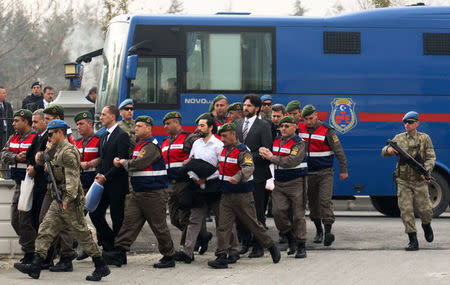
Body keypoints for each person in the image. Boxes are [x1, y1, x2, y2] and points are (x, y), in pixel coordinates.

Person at [14, 119, 111, 282]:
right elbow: (41, 160)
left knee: (82, 234)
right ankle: (36, 265)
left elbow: (73, 179)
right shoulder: (56, 149)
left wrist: (66, 200)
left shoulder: (68, 152)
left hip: (69, 200)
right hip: (58, 198)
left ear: (60, 133)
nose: (49, 137)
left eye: (51, 134)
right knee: (45, 228)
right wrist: (45, 154)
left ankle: (100, 265)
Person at [103, 116, 177, 268]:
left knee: (158, 226)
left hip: (153, 194)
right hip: (139, 193)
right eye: (135, 126)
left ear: (149, 129)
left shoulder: (151, 146)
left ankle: (169, 256)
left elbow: (138, 164)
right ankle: (119, 252)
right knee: (129, 224)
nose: (136, 128)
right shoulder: (140, 145)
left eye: (139, 126)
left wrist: (121, 162)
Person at [208, 122, 280, 269]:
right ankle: (221, 256)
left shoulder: (243, 151)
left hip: (242, 195)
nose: (222, 138)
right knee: (223, 226)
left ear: (234, 135)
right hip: (227, 195)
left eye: (225, 136)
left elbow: (249, 167)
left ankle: (271, 247)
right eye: (221, 135)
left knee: (253, 225)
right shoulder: (224, 150)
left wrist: (238, 176)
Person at [177, 114, 239, 262]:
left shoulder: (218, 145)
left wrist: (206, 178)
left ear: (211, 127)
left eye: (202, 125)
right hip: (197, 187)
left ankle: (233, 250)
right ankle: (188, 252)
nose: (199, 128)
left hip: (215, 186)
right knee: (194, 219)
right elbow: (191, 162)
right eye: (198, 125)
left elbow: (222, 167)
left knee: (223, 220)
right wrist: (194, 177)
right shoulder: (196, 144)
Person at [381, 111, 435, 251]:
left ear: (417, 123)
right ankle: (413, 240)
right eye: (405, 122)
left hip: (419, 180)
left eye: (410, 122)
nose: (407, 125)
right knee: (406, 210)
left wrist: (426, 171)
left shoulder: (424, 138)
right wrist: (389, 150)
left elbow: (431, 157)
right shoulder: (399, 138)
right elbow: (384, 151)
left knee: (425, 209)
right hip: (403, 180)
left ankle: (426, 225)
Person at [299, 105, 348, 246]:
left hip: (325, 172)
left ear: (316, 115)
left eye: (311, 118)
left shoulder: (327, 130)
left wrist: (343, 169)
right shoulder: (299, 128)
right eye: (306, 119)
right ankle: (318, 230)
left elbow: (339, 151)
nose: (308, 122)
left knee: (325, 201)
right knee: (312, 204)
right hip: (307, 173)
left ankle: (328, 232)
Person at [260, 116, 308, 258]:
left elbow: (291, 161)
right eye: (282, 126)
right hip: (279, 183)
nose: (284, 129)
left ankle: (301, 245)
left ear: (295, 127)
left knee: (298, 216)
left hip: (296, 182)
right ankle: (290, 238)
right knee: (277, 212)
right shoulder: (275, 141)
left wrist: (271, 157)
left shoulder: (299, 143)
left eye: (287, 126)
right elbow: (269, 156)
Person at [234, 94, 273, 257]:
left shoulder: (264, 125)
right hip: (240, 174)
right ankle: (245, 242)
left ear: (256, 108)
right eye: (244, 105)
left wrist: (247, 158)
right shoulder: (238, 124)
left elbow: (266, 150)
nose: (245, 108)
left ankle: (259, 246)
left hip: (257, 174)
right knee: (240, 212)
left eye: (249, 106)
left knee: (257, 213)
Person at [90, 105, 130, 251]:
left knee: (117, 218)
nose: (101, 117)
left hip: (117, 185)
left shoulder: (122, 135)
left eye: (104, 114)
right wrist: (99, 174)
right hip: (103, 184)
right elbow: (102, 159)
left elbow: (121, 162)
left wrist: (105, 177)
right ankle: (111, 242)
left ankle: (119, 253)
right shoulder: (103, 136)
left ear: (112, 116)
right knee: (95, 213)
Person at [0, 109, 37, 266]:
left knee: (25, 219)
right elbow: (3, 155)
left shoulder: (35, 138)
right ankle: (32, 248)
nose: (13, 123)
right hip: (17, 183)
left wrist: (27, 157)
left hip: (30, 183)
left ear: (26, 122)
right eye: (13, 120)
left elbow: (39, 157)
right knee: (16, 219)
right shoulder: (13, 137)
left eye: (16, 121)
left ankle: (30, 253)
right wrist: (15, 157)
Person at [161, 112, 198, 246]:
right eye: (164, 124)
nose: (165, 126)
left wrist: (190, 159)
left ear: (177, 123)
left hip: (184, 183)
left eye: (168, 123)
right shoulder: (165, 142)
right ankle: (200, 235)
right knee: (174, 219)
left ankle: (186, 248)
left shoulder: (189, 138)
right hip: (170, 185)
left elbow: (200, 151)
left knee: (185, 218)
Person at [26, 109, 49, 230]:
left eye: (35, 122)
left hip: (45, 184)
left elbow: (45, 158)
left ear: (44, 122)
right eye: (32, 122)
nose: (33, 125)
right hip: (36, 183)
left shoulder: (48, 137)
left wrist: (35, 168)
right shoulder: (37, 137)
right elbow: (30, 155)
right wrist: (30, 166)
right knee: (34, 217)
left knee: (42, 218)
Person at [74, 111, 100, 191]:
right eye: (77, 124)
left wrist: (90, 163)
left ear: (90, 124)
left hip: (95, 182)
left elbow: (104, 157)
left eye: (81, 124)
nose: (78, 127)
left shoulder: (99, 139)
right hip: (80, 183)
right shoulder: (76, 142)